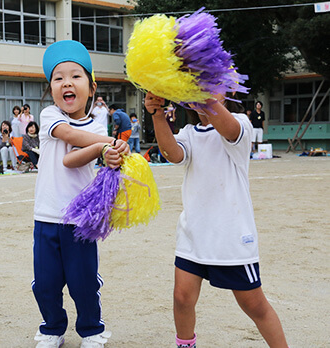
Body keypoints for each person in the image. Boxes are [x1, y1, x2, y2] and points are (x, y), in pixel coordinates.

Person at [145, 91, 289, 348]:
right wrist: (157, 116)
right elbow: (172, 154)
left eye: (207, 80)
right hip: (194, 235)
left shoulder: (240, 123)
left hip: (231, 237)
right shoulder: (190, 132)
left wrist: (204, 95)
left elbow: (229, 129)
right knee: (182, 298)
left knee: (254, 305)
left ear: (230, 89)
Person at [32, 39, 129, 348]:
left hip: (81, 220)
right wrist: (106, 144)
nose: (66, 83)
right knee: (46, 283)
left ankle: (91, 330)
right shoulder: (50, 116)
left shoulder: (98, 122)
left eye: (76, 76)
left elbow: (74, 158)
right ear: (51, 88)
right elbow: (70, 139)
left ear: (91, 86)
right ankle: (52, 329)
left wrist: (111, 153)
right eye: (58, 78)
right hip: (47, 217)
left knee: (83, 281)